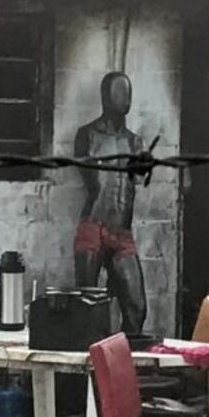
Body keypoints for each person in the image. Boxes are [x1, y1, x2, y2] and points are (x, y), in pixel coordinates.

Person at [74, 71, 147, 334]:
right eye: (119, 92)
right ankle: (87, 371)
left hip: (122, 233)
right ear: (105, 96)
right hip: (94, 225)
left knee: (137, 308)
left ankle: (124, 368)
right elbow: (89, 177)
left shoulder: (134, 141)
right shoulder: (87, 135)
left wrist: (143, 163)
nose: (125, 98)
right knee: (88, 310)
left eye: (128, 92)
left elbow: (140, 177)